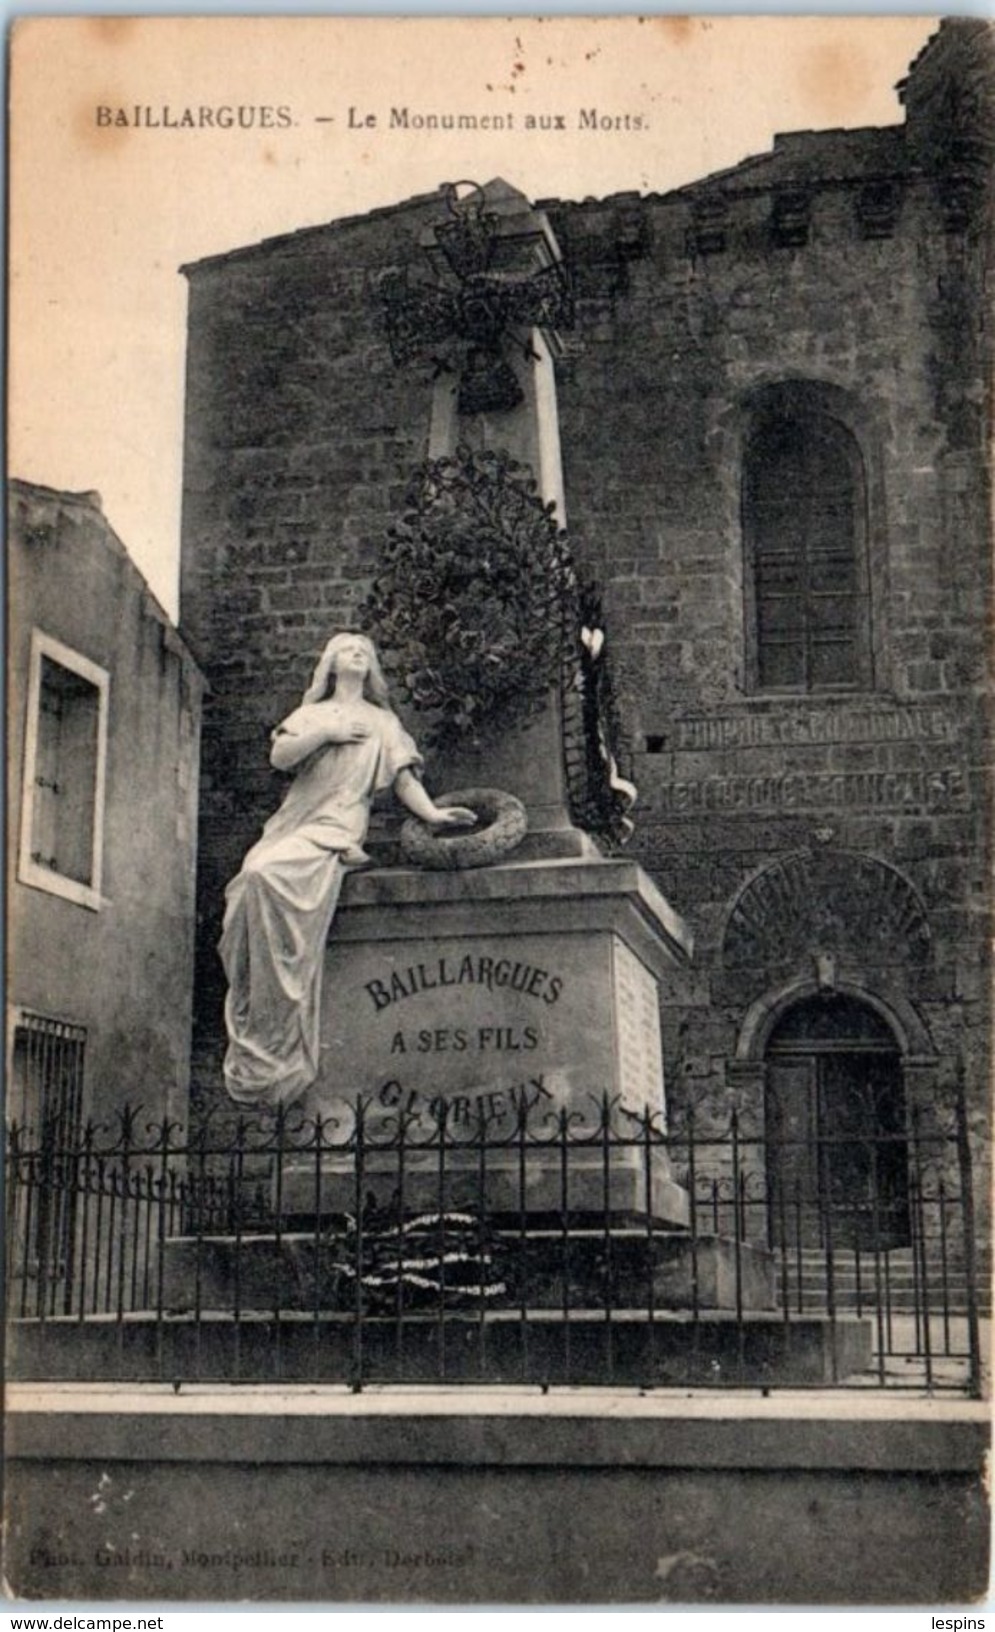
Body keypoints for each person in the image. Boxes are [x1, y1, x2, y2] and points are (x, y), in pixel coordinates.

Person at [219, 632, 475, 1110]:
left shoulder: (383, 722)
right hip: (297, 821)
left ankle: (280, 1017)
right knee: (255, 874)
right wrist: (327, 734)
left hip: (339, 823)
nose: (356, 654)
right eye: (346, 649)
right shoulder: (311, 715)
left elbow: (403, 779)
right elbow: (281, 756)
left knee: (266, 876)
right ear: (330, 665)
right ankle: (266, 1007)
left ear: (371, 668)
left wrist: (434, 816)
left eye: (364, 651)